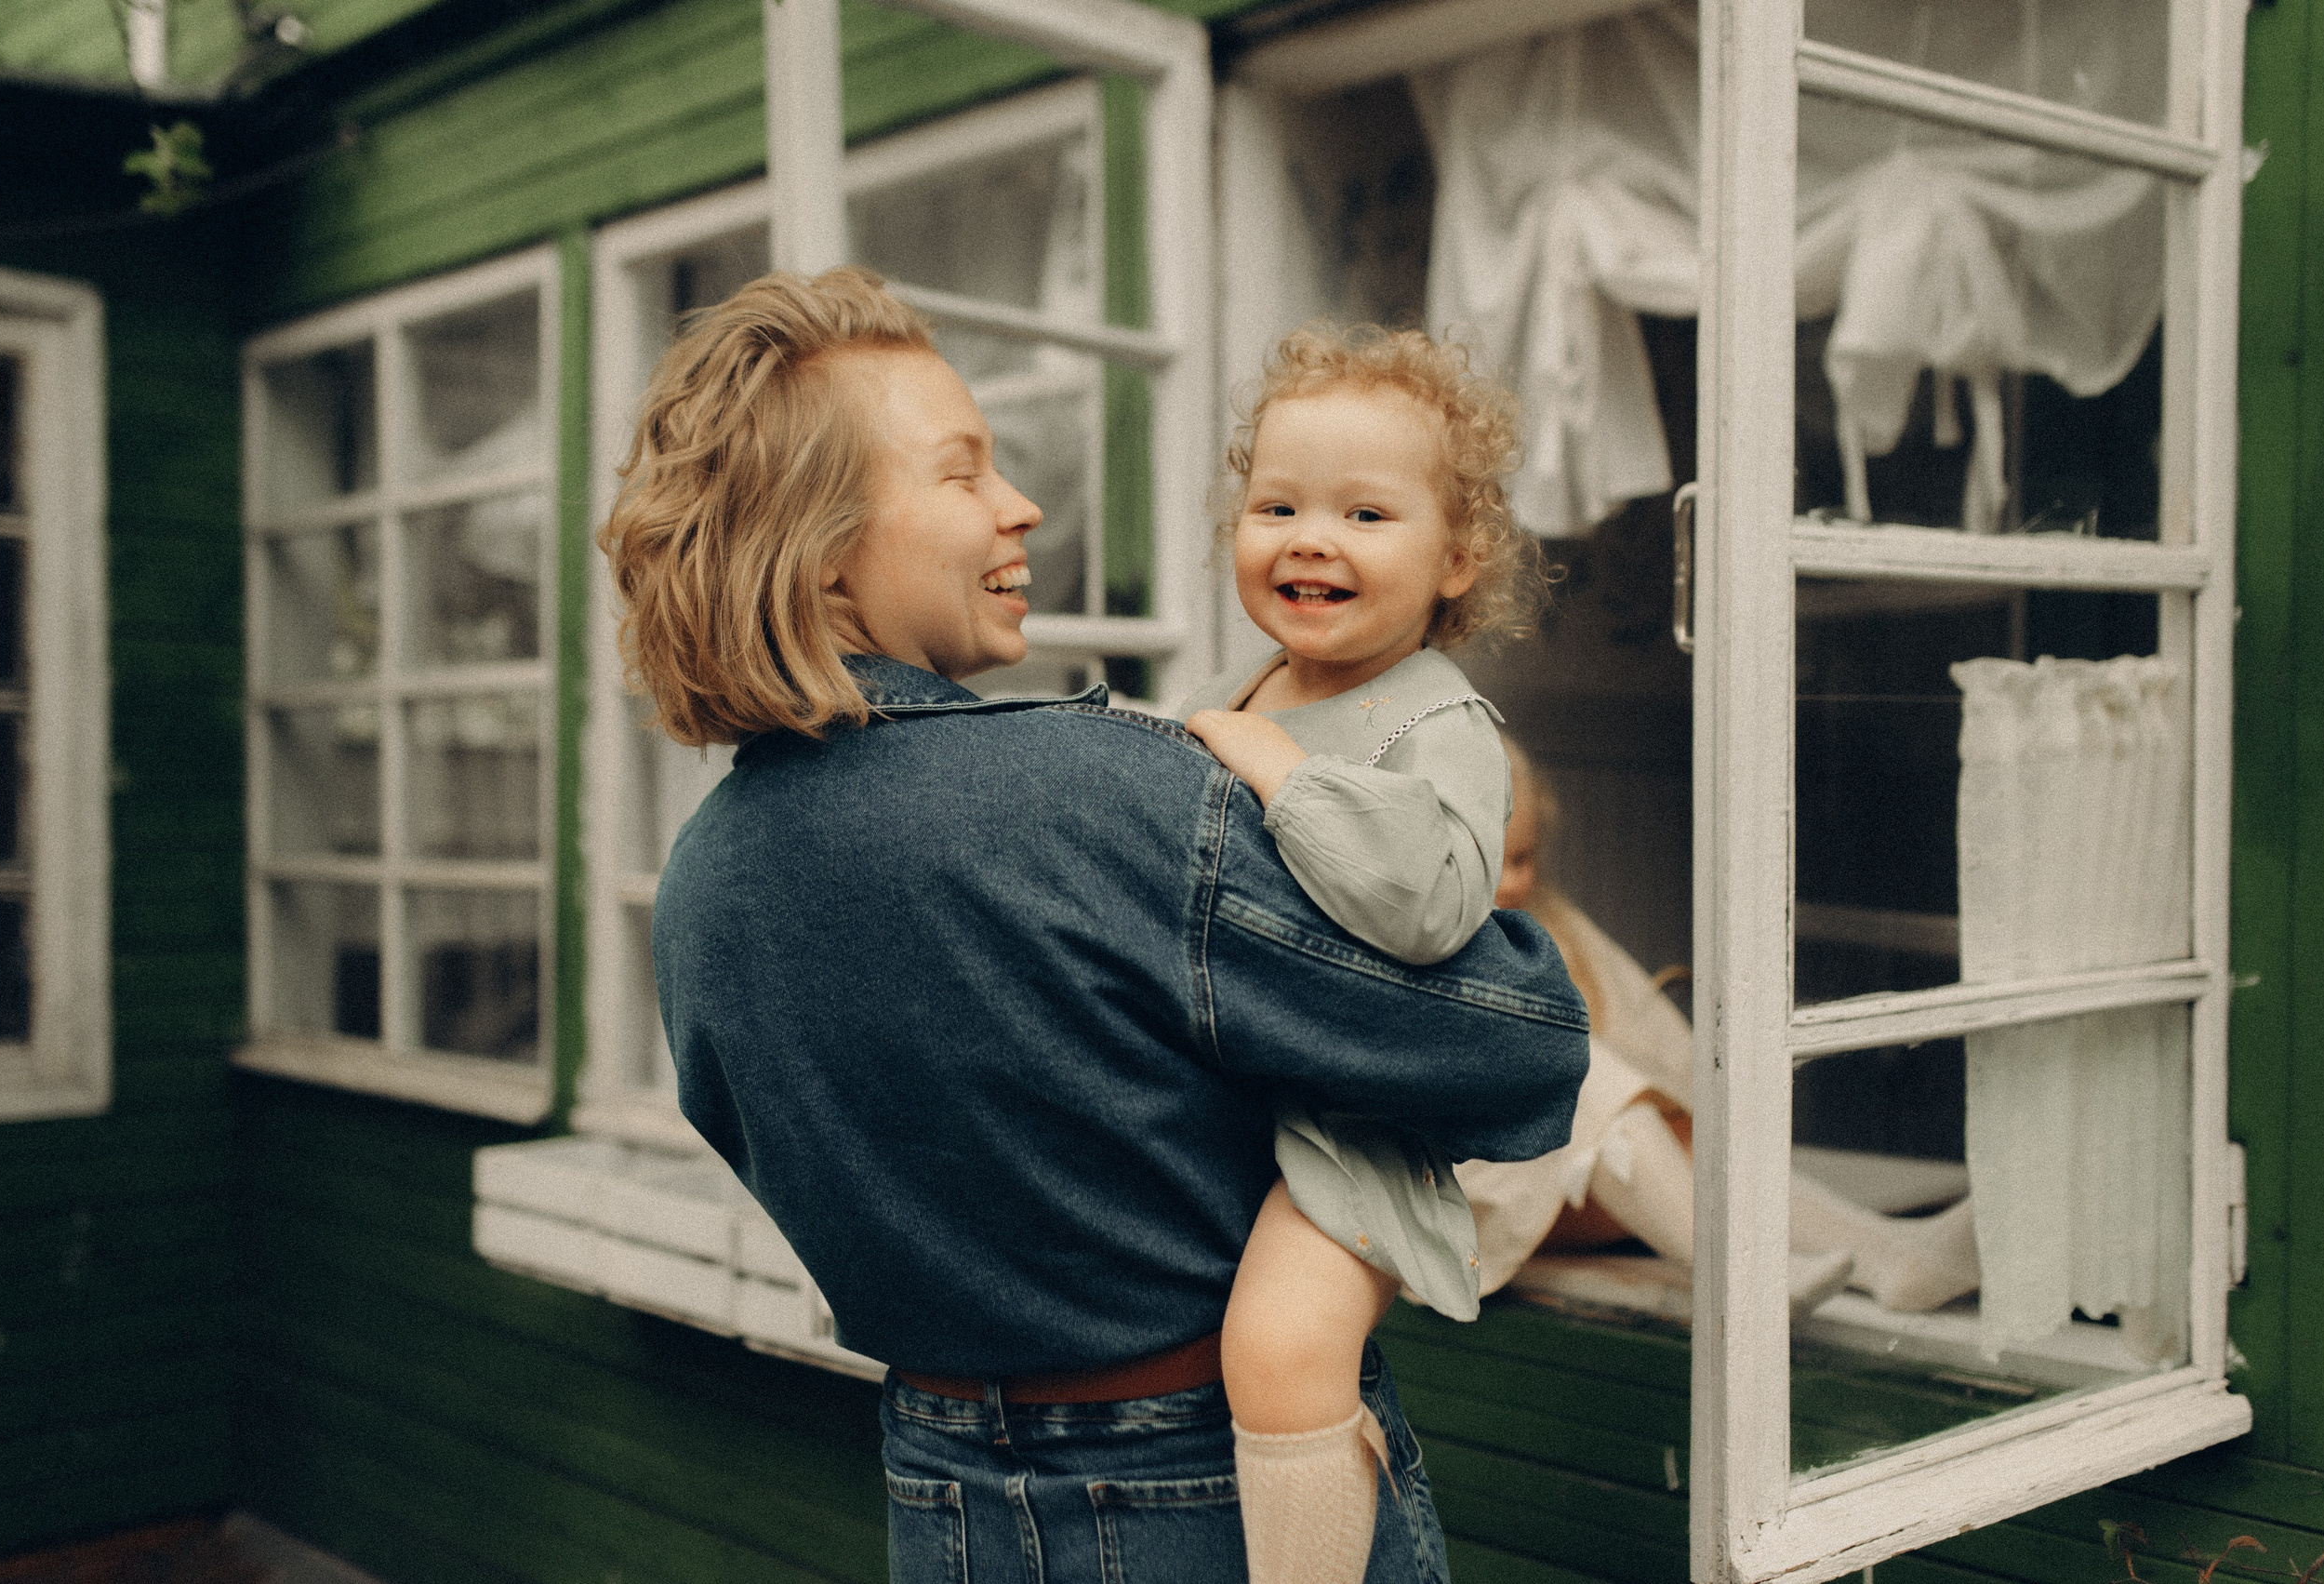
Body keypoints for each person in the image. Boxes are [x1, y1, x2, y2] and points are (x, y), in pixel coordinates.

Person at [597, 266, 1590, 1584]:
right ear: (821, 546)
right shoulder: (1113, 791)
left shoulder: (706, 879)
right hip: (1203, 1478)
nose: (1024, 503)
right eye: (963, 474)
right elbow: (1518, 1046)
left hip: (934, 1479)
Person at [1175, 324, 1546, 1584]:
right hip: (1228, 1094)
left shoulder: (1439, 718)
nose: (1309, 535)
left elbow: (1438, 900)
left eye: (1365, 511)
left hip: (1355, 1127)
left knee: (1280, 1346)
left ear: (1459, 554)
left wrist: (1280, 771)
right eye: (1275, 502)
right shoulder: (1258, 680)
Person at [1459, 738, 1981, 1315]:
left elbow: (1650, 1036)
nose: (1510, 883)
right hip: (1476, 1196)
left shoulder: (1545, 922)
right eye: (1490, 860)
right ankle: (1739, 1274)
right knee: (1573, 1066)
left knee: (1687, 1137)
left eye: (1523, 859)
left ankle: (1892, 1255)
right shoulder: (1417, 954)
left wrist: (1680, 1112)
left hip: (1569, 1177)